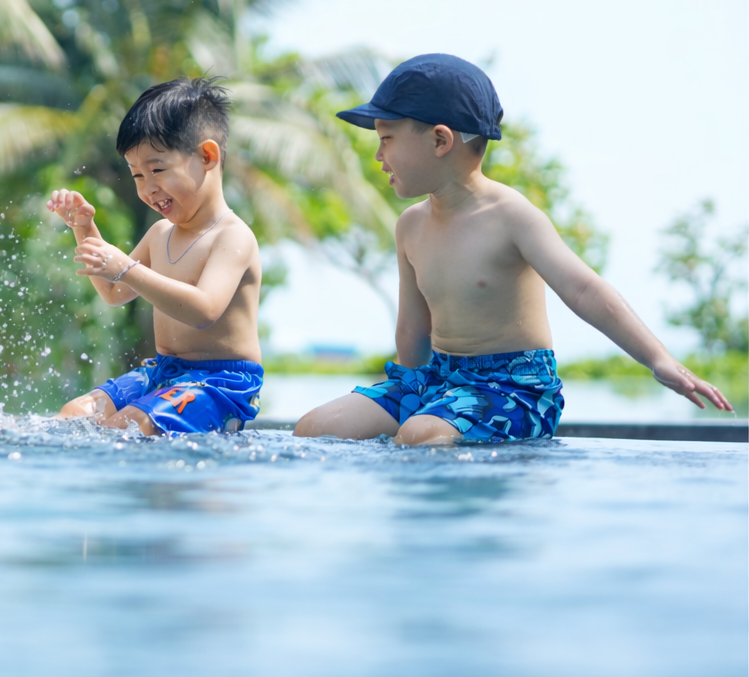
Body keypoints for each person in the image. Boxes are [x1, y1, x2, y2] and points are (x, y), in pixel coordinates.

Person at [294, 53, 733, 446]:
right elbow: (413, 329)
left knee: (420, 435)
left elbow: (583, 290)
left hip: (514, 387)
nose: (377, 155)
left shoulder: (511, 217)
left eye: (386, 138)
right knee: (316, 426)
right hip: (438, 378)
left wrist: (659, 360)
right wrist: (408, 397)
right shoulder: (411, 226)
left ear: (441, 141)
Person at [49, 78, 264, 437]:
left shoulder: (232, 236)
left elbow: (204, 310)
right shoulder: (159, 234)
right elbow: (113, 292)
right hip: (164, 371)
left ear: (207, 156)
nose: (147, 188)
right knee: (74, 414)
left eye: (157, 169)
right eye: (137, 175)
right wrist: (84, 228)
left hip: (222, 382)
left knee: (124, 427)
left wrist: (128, 269)